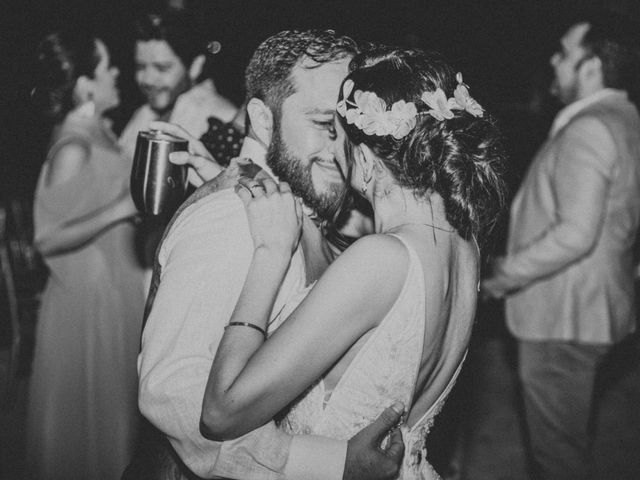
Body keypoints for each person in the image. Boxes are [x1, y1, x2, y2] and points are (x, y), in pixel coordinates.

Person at [198, 47, 507, 479]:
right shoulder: (466, 246)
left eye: (335, 135)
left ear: (363, 157)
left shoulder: (381, 260)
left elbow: (221, 413)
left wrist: (271, 253)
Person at [134, 30, 406, 480]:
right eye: (322, 123)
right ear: (262, 120)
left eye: (349, 129)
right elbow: (174, 394)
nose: (342, 151)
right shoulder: (230, 220)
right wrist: (328, 463)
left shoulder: (295, 199)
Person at [482, 14, 640, 480]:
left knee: (558, 459)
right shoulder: (626, 120)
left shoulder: (590, 127)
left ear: (591, 67)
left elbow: (576, 233)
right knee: (568, 440)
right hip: (595, 310)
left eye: (564, 52)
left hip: (563, 319)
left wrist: (498, 274)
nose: (553, 60)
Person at [26, 30, 146, 479]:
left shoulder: (99, 130)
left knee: (113, 420)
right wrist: (122, 208)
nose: (117, 73)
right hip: (87, 305)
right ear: (85, 85)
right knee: (91, 429)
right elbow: (47, 237)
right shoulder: (74, 145)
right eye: (107, 67)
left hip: (112, 291)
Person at [118, 8, 238, 182]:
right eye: (140, 67)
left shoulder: (222, 119)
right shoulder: (144, 112)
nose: (148, 79)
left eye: (162, 68)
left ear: (195, 66)